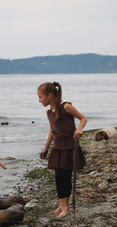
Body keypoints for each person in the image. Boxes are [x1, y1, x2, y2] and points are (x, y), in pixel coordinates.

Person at [37, 81, 87, 218]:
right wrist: (45, 148)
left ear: (50, 95)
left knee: (65, 177)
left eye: (41, 97)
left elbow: (83, 118)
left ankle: (65, 208)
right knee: (60, 178)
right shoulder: (49, 112)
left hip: (70, 147)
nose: (39, 100)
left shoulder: (66, 107)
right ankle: (63, 205)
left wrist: (78, 129)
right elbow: (52, 131)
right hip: (58, 148)